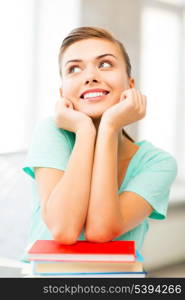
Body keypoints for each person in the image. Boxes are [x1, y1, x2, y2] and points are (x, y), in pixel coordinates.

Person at [22, 26, 177, 262]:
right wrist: (85, 131)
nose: (90, 76)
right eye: (74, 68)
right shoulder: (51, 133)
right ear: (63, 92)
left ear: (130, 85)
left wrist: (109, 127)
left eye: (105, 64)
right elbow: (63, 230)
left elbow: (100, 231)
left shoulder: (158, 163)